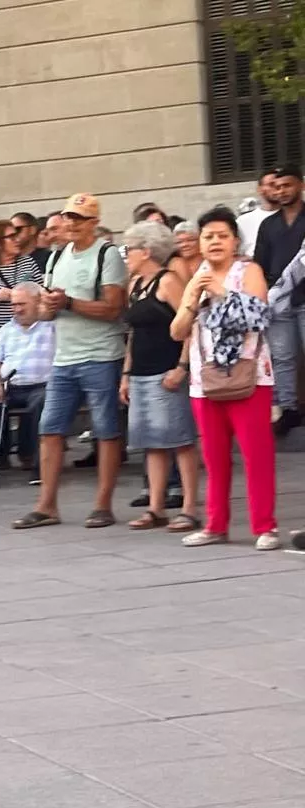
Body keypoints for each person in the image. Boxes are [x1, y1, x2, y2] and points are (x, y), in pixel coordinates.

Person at [14, 193, 129, 530]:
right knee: (49, 429)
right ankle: (47, 506)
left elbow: (113, 308)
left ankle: (103, 505)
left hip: (101, 355)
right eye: (68, 217)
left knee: (106, 431)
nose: (72, 224)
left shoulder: (107, 255)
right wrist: (46, 306)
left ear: (94, 222)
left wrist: (68, 304)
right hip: (64, 357)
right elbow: (50, 311)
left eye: (79, 218)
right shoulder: (56, 257)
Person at [171, 207, 279, 551]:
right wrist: (190, 299)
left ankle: (265, 526)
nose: (215, 241)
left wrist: (217, 290)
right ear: (200, 243)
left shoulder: (248, 271)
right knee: (215, 459)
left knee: (256, 455)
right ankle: (216, 525)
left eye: (222, 235)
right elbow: (176, 331)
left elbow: (257, 317)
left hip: (249, 377)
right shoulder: (196, 275)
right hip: (206, 381)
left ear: (235, 241)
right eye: (208, 236)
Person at [118, 221, 200, 533]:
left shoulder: (169, 281)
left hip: (167, 370)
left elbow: (189, 325)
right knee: (151, 443)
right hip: (141, 371)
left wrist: (181, 367)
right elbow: (134, 334)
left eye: (130, 249)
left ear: (146, 251)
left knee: (180, 440)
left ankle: (190, 507)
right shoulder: (135, 284)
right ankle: (155, 507)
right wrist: (126, 374)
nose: (126, 255)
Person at [0, 283, 54, 476]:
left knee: (41, 403)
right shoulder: (7, 329)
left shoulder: (52, 325)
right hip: (11, 386)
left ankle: (39, 465)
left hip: (42, 385)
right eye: (14, 304)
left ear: (37, 302)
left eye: (22, 304)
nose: (17, 309)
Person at [255, 166, 305, 436]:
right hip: (277, 299)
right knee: (282, 357)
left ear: (301, 186)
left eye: (287, 185)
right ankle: (288, 409)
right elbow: (259, 264)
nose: (282, 191)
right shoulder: (269, 224)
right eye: (277, 187)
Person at [0, 218, 45, 368]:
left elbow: (42, 293)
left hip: (26, 336)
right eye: (11, 237)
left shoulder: (28, 263)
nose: (17, 240)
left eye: (16, 235)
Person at [237, 169, 278, 259]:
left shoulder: (292, 218)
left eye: (279, 185)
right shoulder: (243, 221)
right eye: (271, 184)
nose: (276, 188)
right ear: (260, 189)